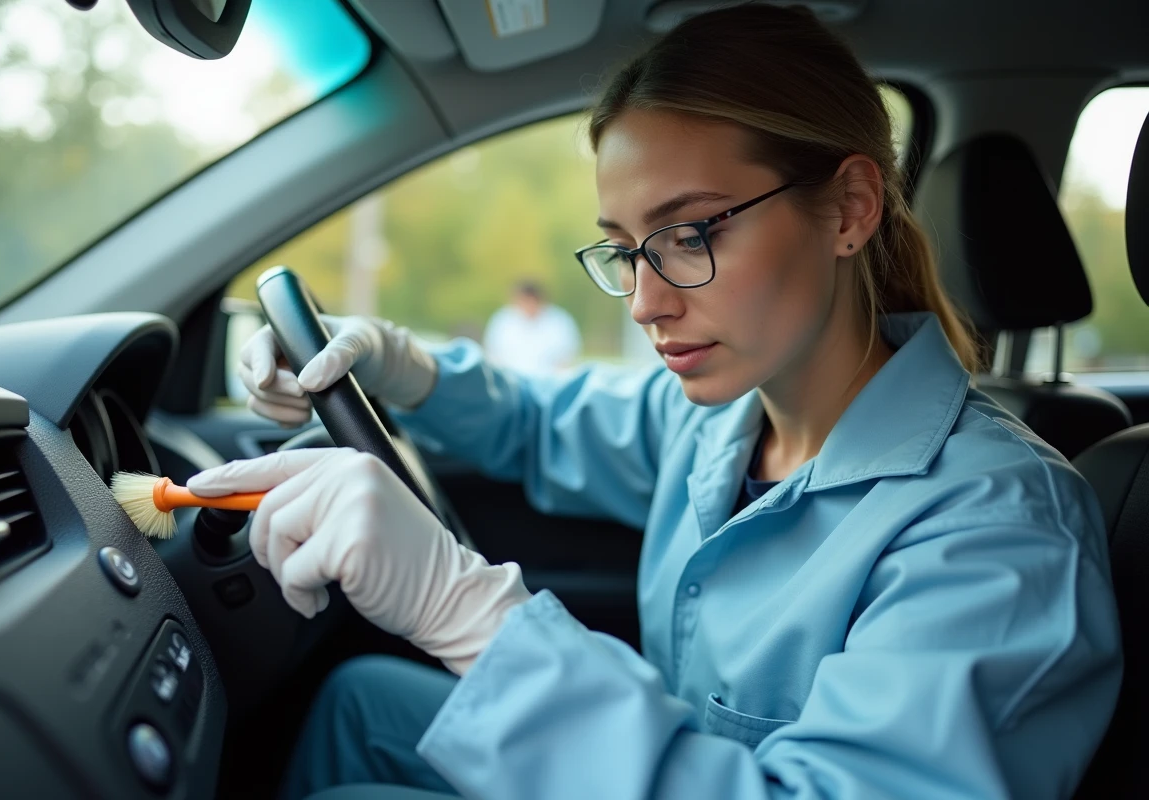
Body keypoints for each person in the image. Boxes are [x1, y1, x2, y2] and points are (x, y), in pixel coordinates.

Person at [193, 5, 1121, 799]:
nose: (646, 302)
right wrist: (398, 363)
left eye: (686, 234)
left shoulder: (996, 528)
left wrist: (467, 612)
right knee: (361, 700)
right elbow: (534, 424)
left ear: (848, 209)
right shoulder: (719, 416)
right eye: (626, 249)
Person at [482, 280, 581, 376]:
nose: (529, 305)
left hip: (548, 381)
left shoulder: (559, 321)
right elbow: (493, 356)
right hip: (511, 381)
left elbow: (566, 358)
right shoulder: (502, 321)